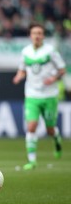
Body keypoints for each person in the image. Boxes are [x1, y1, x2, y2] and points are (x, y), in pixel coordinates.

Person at [13, 22, 65, 170]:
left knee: (50, 129)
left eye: (40, 33)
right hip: (32, 95)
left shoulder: (50, 51)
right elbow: (22, 69)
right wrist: (18, 77)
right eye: (34, 33)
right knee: (31, 127)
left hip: (49, 95)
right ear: (30, 35)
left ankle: (56, 138)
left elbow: (62, 69)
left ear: (43, 36)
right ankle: (32, 161)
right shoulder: (25, 52)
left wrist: (53, 79)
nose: (37, 36)